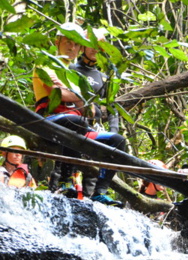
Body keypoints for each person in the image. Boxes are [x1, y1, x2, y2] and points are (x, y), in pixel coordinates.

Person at [32, 22, 127, 207]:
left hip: (77, 124)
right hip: (50, 120)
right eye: (67, 42)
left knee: (117, 140)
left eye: (76, 44)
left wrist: (79, 99)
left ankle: (100, 192)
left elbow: (89, 107)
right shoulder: (47, 62)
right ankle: (65, 180)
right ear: (57, 41)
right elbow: (56, 93)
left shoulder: (76, 73)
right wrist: (80, 99)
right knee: (76, 121)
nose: (72, 47)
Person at [70, 27, 120, 134]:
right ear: (82, 47)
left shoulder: (104, 78)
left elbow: (112, 107)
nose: (95, 49)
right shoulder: (71, 69)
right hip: (74, 125)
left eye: (99, 46)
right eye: (91, 44)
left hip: (96, 129)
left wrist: (114, 131)